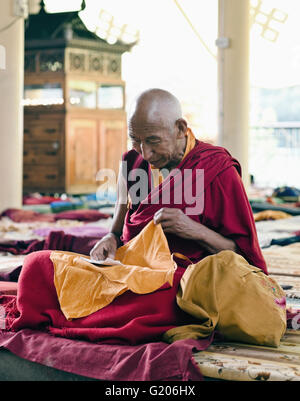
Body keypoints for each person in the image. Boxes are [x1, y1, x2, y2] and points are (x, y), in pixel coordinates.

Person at [90, 88, 267, 274]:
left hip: (192, 280)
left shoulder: (217, 169)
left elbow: (245, 258)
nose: (145, 153)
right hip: (134, 271)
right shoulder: (132, 162)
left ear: (180, 129)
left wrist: (194, 230)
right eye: (135, 140)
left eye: (153, 140)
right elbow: (117, 233)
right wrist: (109, 238)